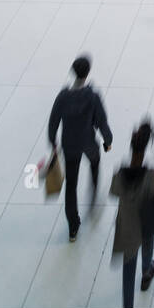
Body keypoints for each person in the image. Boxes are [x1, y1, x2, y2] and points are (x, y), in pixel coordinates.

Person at [48, 54, 113, 243]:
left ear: (73, 72)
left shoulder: (63, 97)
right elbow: (101, 121)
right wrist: (108, 141)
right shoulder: (92, 97)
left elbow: (53, 122)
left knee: (71, 185)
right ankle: (93, 197)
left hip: (69, 145)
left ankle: (73, 226)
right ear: (88, 72)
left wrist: (53, 142)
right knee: (95, 163)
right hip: (88, 142)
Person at [110, 119, 154, 308]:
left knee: (128, 272)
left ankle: (128, 305)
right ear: (146, 149)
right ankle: (146, 271)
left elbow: (113, 192)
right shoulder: (151, 176)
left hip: (128, 229)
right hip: (146, 223)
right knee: (147, 244)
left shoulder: (120, 175)